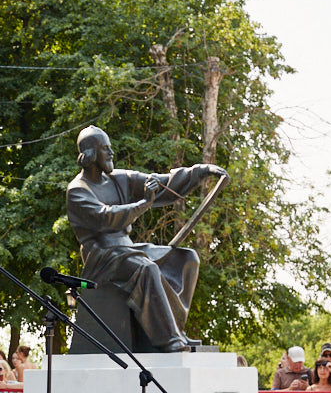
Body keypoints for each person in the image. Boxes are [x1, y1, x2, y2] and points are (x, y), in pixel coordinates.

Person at [65, 125, 227, 352]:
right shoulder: (77, 190)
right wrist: (143, 204)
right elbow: (106, 218)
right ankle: (168, 339)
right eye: (105, 148)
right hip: (102, 257)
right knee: (146, 268)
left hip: (128, 249)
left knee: (187, 258)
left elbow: (161, 183)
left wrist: (199, 172)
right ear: (91, 154)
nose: (111, 153)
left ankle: (176, 328)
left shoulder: (119, 178)